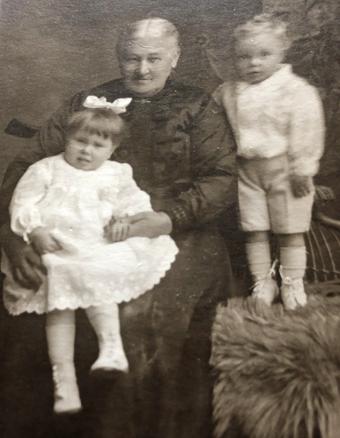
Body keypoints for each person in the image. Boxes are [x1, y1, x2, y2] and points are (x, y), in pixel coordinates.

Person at [0, 17, 236, 438]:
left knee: (138, 317)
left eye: (154, 58)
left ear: (175, 59)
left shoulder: (199, 107)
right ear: (119, 57)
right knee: (25, 304)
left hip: (180, 232)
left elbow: (221, 178)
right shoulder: (90, 101)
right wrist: (14, 237)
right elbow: (28, 166)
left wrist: (168, 218)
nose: (142, 69)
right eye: (132, 58)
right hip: (84, 232)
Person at [1, 101, 178, 415]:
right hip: (56, 248)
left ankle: (111, 349)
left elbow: (134, 201)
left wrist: (127, 220)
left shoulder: (116, 173)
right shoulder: (45, 169)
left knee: (101, 277)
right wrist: (35, 230)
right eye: (80, 141)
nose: (87, 151)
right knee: (58, 299)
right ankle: (64, 381)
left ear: (112, 149)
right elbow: (23, 203)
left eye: (98, 145)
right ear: (66, 139)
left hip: (96, 245)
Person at [213, 14, 324, 310]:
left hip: (285, 170)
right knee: (255, 228)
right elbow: (215, 125)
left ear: (282, 51)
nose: (254, 63)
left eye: (264, 55)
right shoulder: (228, 92)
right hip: (247, 171)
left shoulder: (296, 91)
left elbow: (307, 130)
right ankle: (263, 281)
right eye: (244, 56)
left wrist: (303, 168)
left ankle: (292, 283)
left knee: (290, 230)